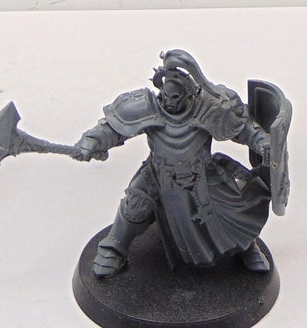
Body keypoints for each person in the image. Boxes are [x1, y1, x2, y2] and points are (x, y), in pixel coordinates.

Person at [71, 50, 282, 278]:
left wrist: (262, 142)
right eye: (166, 96)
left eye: (175, 97)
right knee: (135, 205)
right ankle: (114, 248)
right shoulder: (147, 106)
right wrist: (92, 141)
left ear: (189, 95)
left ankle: (246, 246)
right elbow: (112, 128)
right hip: (159, 172)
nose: (169, 102)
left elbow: (242, 128)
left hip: (201, 173)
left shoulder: (207, 107)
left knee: (233, 211)